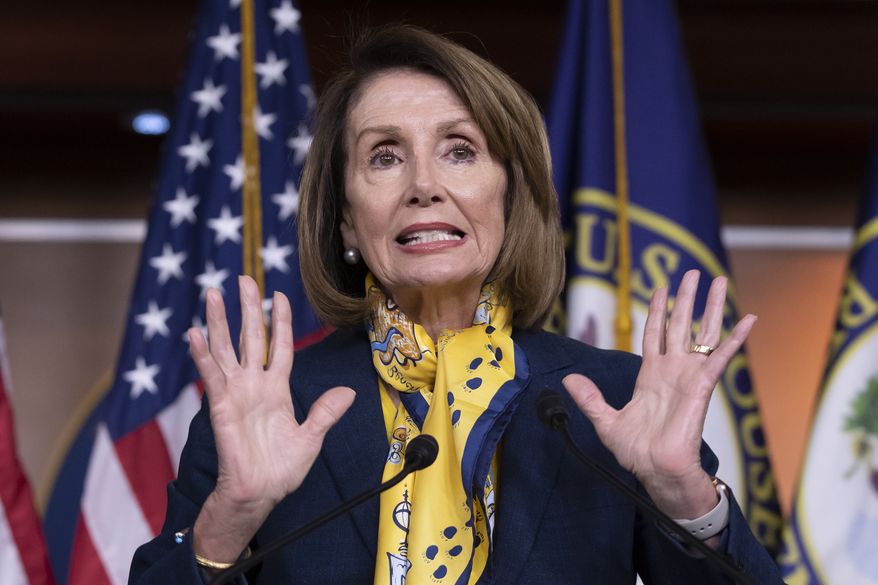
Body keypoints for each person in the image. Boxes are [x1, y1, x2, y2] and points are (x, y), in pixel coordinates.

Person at [130, 25, 784, 584]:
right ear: (346, 222)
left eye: (460, 150)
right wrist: (232, 515)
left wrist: (685, 494)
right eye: (384, 156)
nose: (424, 185)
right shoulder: (272, 406)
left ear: (509, 194)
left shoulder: (612, 398)